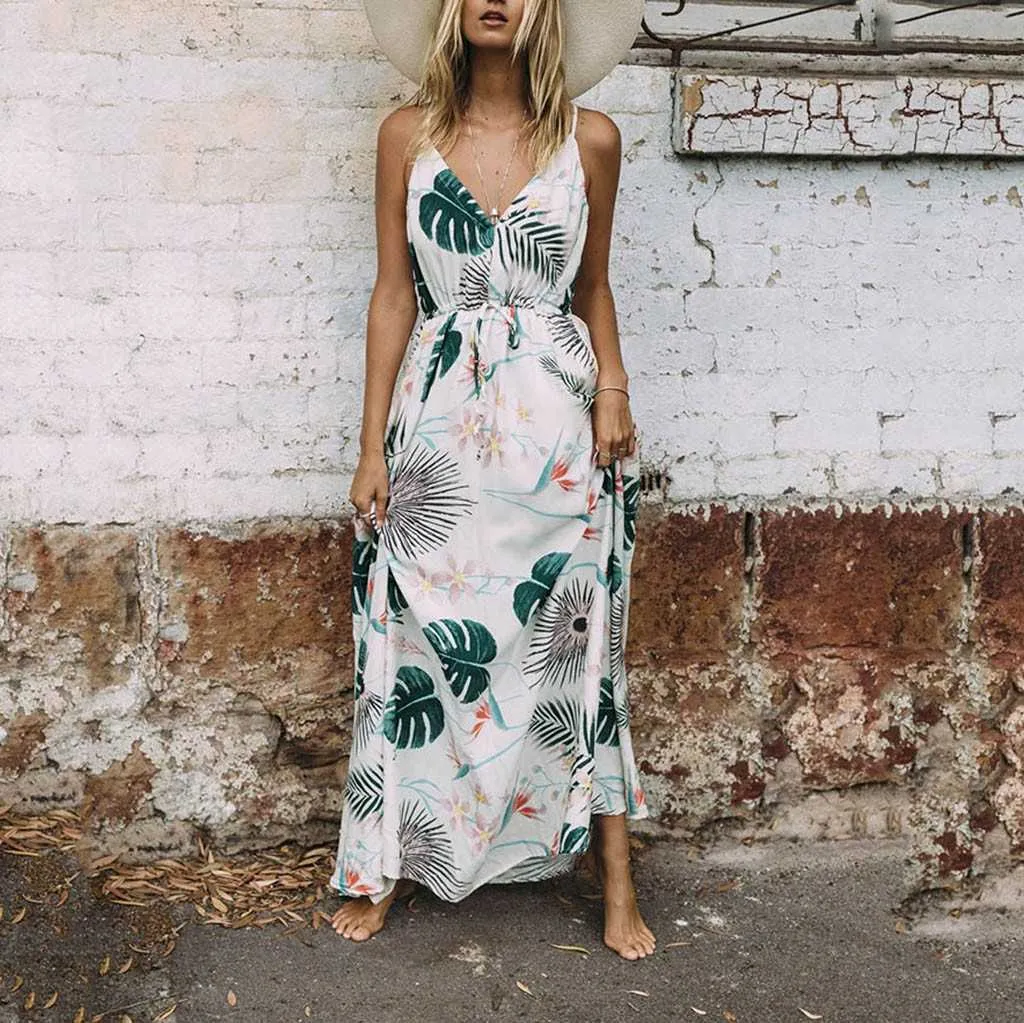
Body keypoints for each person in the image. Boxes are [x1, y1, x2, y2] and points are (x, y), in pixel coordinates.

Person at [329, 0, 656, 961]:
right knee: (409, 640)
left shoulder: (591, 141)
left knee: (579, 649)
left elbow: (594, 287)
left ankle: (617, 879)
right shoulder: (406, 135)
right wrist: (370, 447)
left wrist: (613, 389)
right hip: (436, 434)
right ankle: (381, 861)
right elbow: (394, 294)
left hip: (557, 435)